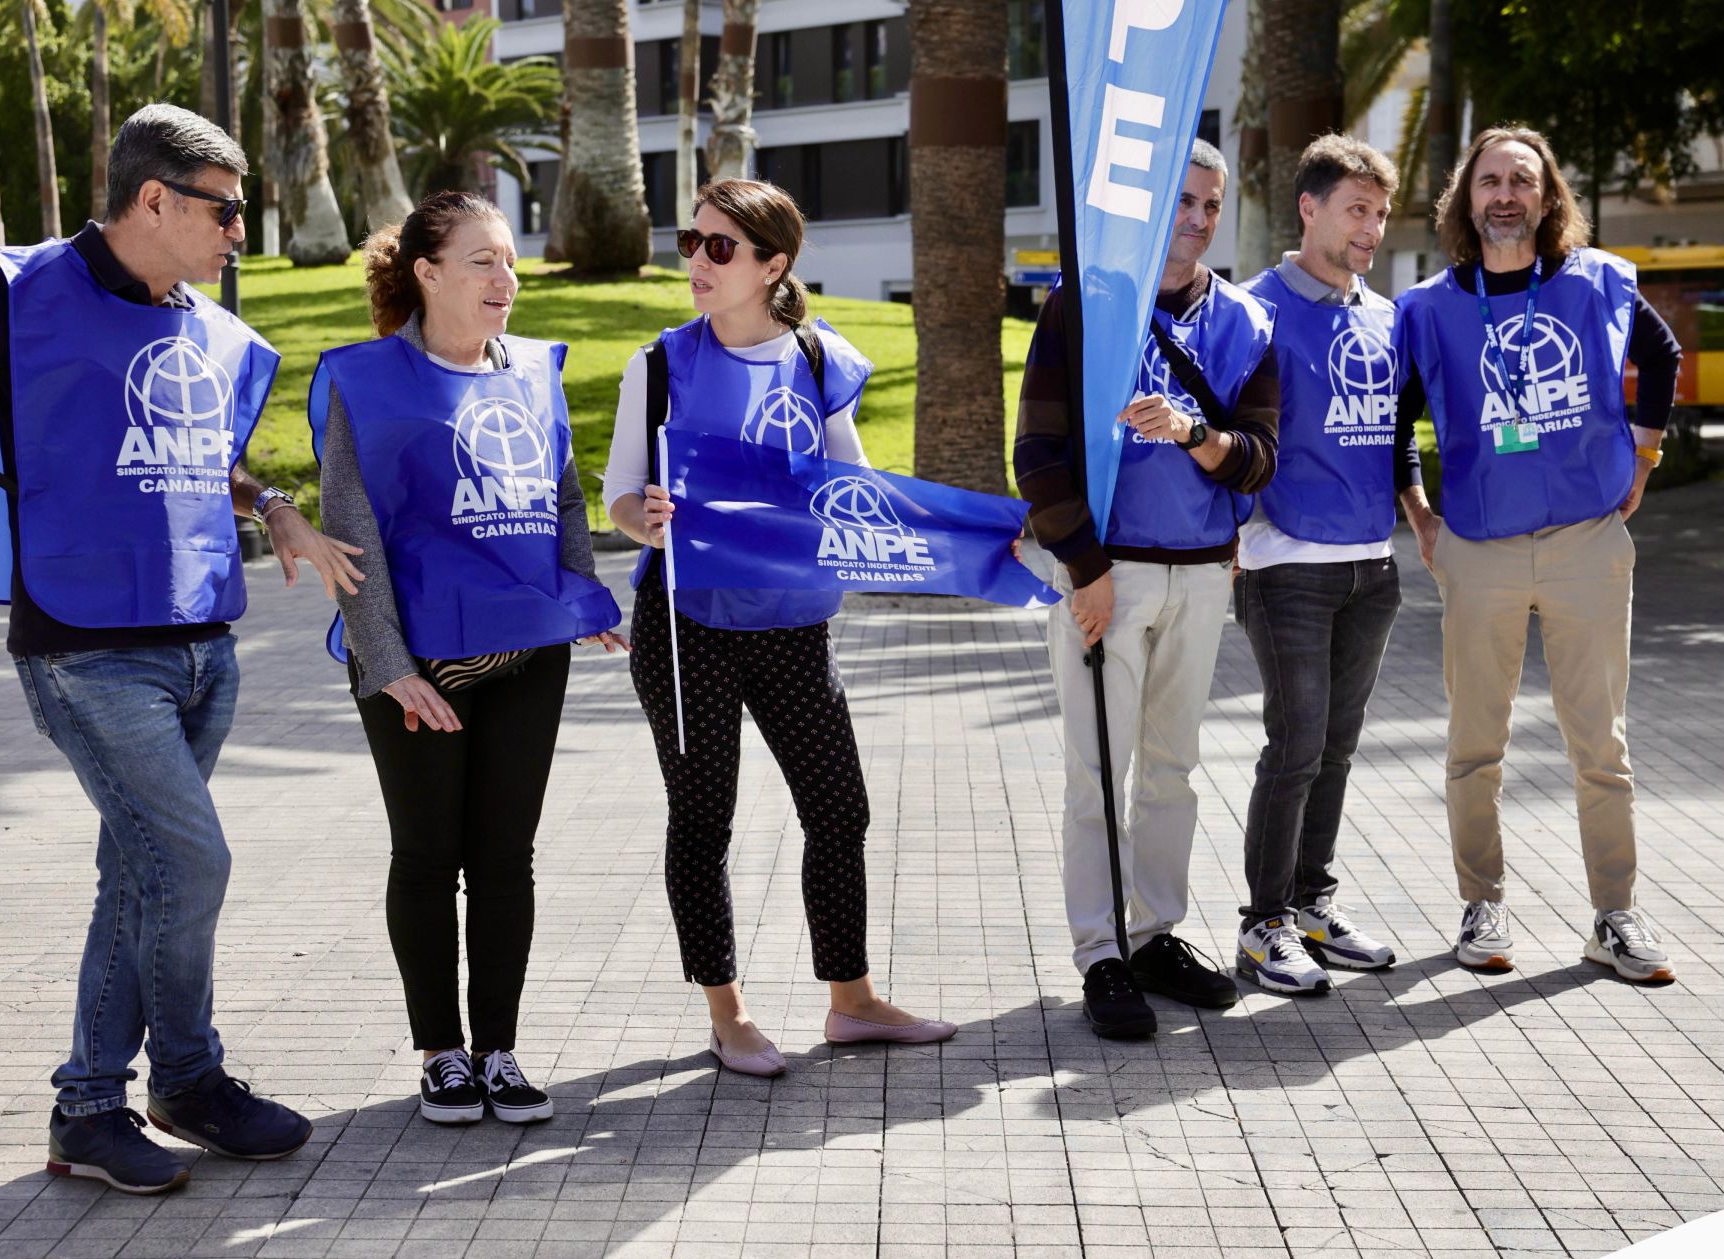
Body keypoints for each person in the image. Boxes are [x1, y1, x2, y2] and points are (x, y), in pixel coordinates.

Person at [0, 104, 356, 1194]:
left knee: (139, 875)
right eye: (227, 210)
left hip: (203, 644)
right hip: (85, 649)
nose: (241, 231)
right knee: (191, 861)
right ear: (156, 199)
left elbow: (196, 449)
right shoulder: (25, 288)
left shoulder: (204, 327)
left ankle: (141, 1097)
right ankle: (134, 1087)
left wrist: (274, 504)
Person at [603, 178, 956, 1076]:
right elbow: (615, 499)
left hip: (795, 621)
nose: (697, 262)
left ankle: (853, 1001)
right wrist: (646, 518)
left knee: (839, 807)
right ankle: (729, 1017)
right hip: (688, 624)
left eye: (721, 247)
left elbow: (854, 484)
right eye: (692, 241)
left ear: (774, 264)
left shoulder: (820, 361)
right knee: (705, 818)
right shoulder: (660, 364)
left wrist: (967, 535)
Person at [312, 191, 625, 1125]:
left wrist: (582, 599)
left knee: (505, 858)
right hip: (412, 664)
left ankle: (499, 1049)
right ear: (429, 273)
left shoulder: (535, 370)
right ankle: (440, 1053)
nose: (506, 279)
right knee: (427, 855)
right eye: (484, 260)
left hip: (529, 652)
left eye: (511, 260)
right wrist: (390, 665)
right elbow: (349, 534)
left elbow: (563, 500)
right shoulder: (363, 382)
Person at [1394, 125, 1683, 983]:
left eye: (1524, 179)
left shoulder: (1595, 282)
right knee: (1474, 743)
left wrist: (1644, 454)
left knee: (1602, 745)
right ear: (1466, 198)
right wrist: (1417, 510)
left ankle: (1616, 917)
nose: (1507, 195)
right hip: (1478, 548)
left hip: (1586, 542)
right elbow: (1395, 413)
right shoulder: (1431, 305)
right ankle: (1482, 907)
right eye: (1491, 181)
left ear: (1549, 197)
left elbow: (1660, 354)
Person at [1013, 140, 1280, 1038]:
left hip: (1204, 576)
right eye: (1186, 201)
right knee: (1097, 772)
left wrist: (1195, 434)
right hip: (1109, 577)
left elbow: (1259, 460)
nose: (1201, 219)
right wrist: (1085, 571)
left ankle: (1156, 932)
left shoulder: (1245, 323)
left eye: (1213, 204)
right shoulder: (1086, 310)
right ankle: (1101, 954)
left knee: (1172, 771)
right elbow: (1038, 454)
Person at [1230, 135, 1435, 994]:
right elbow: (1233, 434)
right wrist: (1233, 539)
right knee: (1296, 746)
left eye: (1382, 214)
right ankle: (1263, 923)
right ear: (1308, 208)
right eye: (1358, 209)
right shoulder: (1252, 311)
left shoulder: (1385, 316)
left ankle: (1312, 902)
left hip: (1370, 569)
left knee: (1337, 750)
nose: (1373, 228)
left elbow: (1395, 432)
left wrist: (1416, 509)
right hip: (1285, 567)